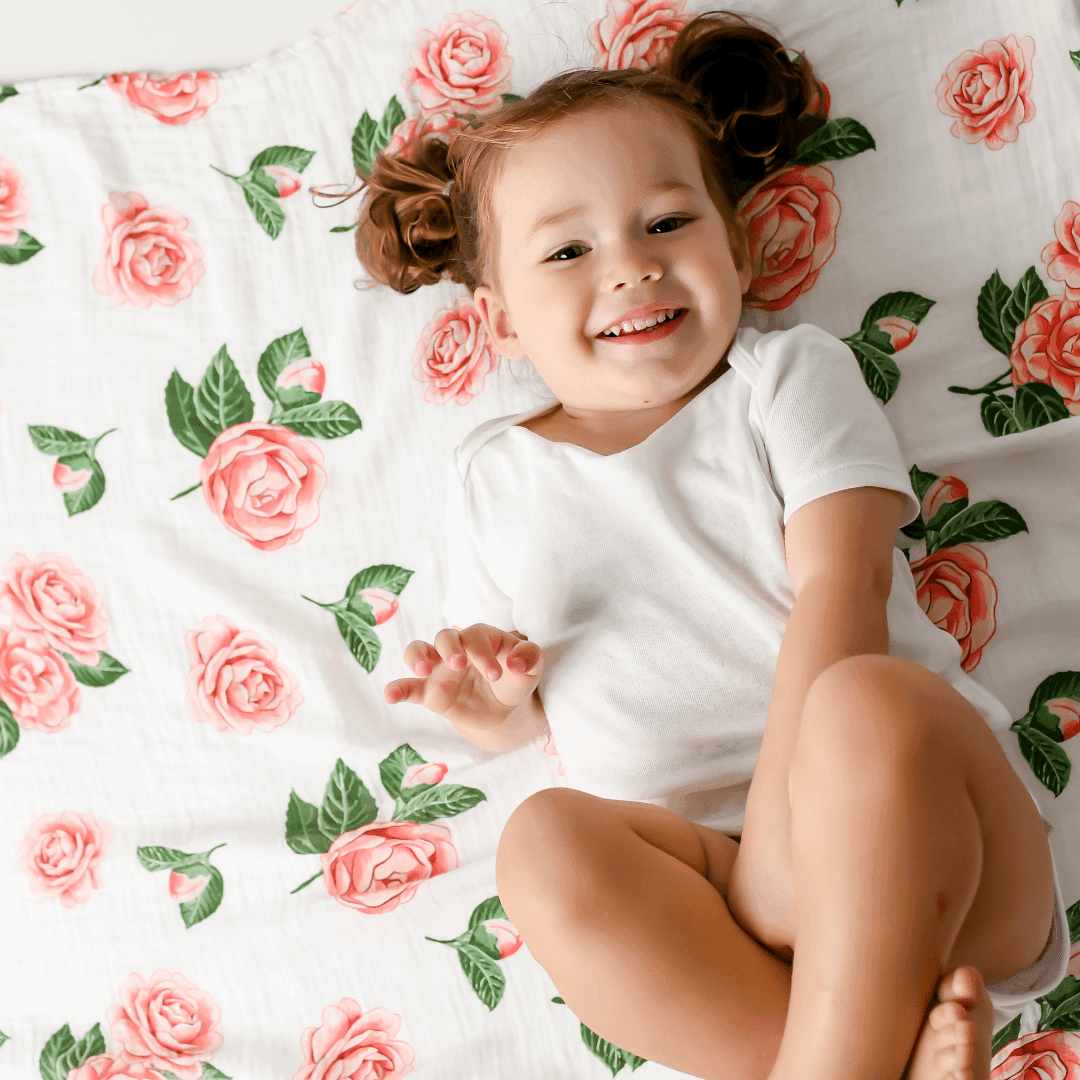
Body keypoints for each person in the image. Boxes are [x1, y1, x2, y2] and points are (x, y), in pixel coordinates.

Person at [335, 11, 1068, 1080]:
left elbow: (847, 584)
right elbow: (521, 721)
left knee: (869, 704)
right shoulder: (491, 474)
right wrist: (491, 703)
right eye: (570, 249)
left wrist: (787, 836)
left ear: (738, 249)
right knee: (541, 840)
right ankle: (865, 1055)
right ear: (498, 322)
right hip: (707, 897)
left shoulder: (784, 380)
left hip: (923, 843)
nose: (629, 268)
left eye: (667, 224)